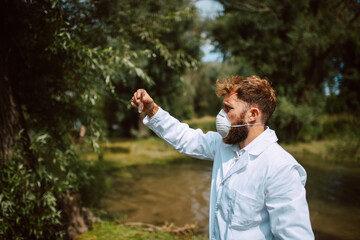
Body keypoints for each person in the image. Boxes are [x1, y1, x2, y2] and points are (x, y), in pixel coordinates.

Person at [131, 75, 314, 240]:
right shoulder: (224, 145)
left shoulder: (281, 168)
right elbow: (185, 138)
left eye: (228, 109)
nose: (221, 115)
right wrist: (152, 110)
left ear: (253, 114)